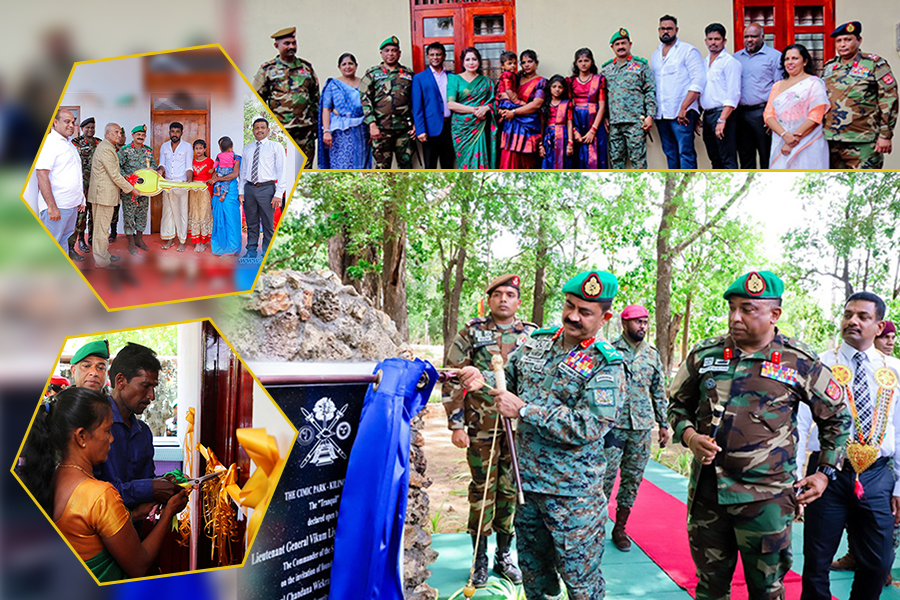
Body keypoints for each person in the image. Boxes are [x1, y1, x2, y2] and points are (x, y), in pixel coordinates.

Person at [668, 270, 850, 600]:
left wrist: (824, 474)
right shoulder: (704, 355)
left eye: (748, 309)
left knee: (766, 591)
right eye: (732, 308)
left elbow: (838, 419)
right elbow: (677, 406)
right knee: (710, 588)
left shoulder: (800, 362)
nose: (735, 317)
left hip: (767, 501)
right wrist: (691, 437)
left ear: (774, 314)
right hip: (709, 496)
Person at [458, 270, 626, 600]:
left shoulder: (606, 364)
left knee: (581, 586)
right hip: (527, 488)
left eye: (585, 312)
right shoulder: (537, 342)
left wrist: (524, 410)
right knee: (536, 580)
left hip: (572, 497)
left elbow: (590, 425)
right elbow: (507, 380)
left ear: (605, 317)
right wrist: (483, 380)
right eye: (569, 305)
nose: (573, 316)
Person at [17, 387, 189, 582]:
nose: (112, 438)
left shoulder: (52, 478)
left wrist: (137, 514)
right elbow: (139, 565)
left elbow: (88, 533)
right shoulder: (100, 495)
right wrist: (169, 512)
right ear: (81, 436)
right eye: (107, 431)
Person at [797, 292, 900, 600]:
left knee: (879, 561)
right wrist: (793, 476)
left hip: (878, 475)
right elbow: (801, 422)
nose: (852, 321)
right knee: (817, 561)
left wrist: (899, 487)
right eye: (848, 314)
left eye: (863, 317)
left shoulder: (894, 369)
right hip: (827, 473)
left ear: (879, 326)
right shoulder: (819, 365)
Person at [442, 274, 536, 588]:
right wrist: (456, 423)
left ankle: (504, 556)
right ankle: (479, 559)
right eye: (498, 294)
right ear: (489, 299)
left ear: (518, 302)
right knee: (482, 493)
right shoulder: (472, 332)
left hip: (519, 431)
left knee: (510, 492)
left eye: (510, 294)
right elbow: (452, 376)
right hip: (481, 429)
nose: (504, 299)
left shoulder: (532, 336)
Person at [603, 304, 669, 552]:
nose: (642, 326)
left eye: (645, 321)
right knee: (604, 478)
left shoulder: (652, 354)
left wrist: (664, 424)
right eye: (637, 321)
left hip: (641, 427)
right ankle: (596, 526)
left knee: (632, 479)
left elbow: (658, 391)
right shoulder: (609, 351)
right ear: (624, 323)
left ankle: (620, 528)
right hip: (613, 426)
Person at [93, 342, 181, 513]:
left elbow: (145, 479)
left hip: (136, 533)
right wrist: (149, 488)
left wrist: (165, 483)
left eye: (154, 387)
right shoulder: (94, 424)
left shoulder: (143, 432)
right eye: (145, 386)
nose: (152, 396)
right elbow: (92, 492)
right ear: (120, 381)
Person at [823, 21, 898, 169]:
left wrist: (885, 135)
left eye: (848, 40)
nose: (843, 44)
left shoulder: (874, 64)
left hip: (863, 140)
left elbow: (889, 98)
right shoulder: (830, 67)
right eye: (839, 41)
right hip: (831, 140)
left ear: (859, 40)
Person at [252, 26, 319, 169]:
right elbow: (257, 100)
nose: (291, 47)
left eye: (294, 43)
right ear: (276, 46)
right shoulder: (267, 69)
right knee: (279, 169)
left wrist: (317, 126)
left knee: (304, 169)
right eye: (287, 43)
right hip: (280, 130)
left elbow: (315, 98)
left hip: (305, 131)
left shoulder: (306, 68)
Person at [651, 15, 706, 168]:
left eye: (669, 28)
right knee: (669, 152)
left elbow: (698, 81)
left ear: (676, 30)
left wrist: (684, 108)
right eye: (663, 29)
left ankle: (688, 187)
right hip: (662, 114)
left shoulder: (688, 51)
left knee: (685, 152)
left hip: (682, 113)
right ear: (659, 30)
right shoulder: (656, 54)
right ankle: (675, 187)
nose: (666, 32)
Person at [764, 44, 830, 169]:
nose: (790, 62)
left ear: (804, 61)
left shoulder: (814, 83)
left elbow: (815, 116)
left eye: (795, 58)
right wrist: (784, 135)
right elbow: (768, 115)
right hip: (780, 141)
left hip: (808, 141)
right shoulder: (777, 86)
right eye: (787, 59)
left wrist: (792, 141)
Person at [602, 28, 657, 169]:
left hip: (635, 122)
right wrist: (605, 117)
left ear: (630, 44)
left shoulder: (640, 66)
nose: (621, 46)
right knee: (616, 162)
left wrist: (650, 115)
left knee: (638, 162)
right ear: (612, 47)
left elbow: (650, 90)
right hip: (614, 123)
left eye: (623, 43)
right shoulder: (606, 69)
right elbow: (603, 95)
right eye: (617, 44)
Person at [359, 36, 415, 169]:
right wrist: (372, 125)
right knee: (381, 169)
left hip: (404, 130)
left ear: (399, 53)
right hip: (380, 130)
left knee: (406, 167)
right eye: (387, 50)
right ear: (381, 53)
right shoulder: (372, 73)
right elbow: (364, 99)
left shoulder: (408, 74)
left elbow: (416, 100)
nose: (390, 54)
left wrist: (416, 124)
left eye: (394, 50)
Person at [35, 109, 84, 252]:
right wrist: (52, 207)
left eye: (73, 122)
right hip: (58, 206)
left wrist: (81, 199)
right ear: (55, 122)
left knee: (62, 240)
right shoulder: (51, 143)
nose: (71, 125)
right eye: (67, 121)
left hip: (71, 205)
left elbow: (72, 173)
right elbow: (42, 174)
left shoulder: (68, 143)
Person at [734, 24, 782, 169]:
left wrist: (772, 117)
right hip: (740, 114)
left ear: (763, 37)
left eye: (753, 36)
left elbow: (779, 88)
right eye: (746, 37)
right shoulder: (736, 57)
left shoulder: (774, 56)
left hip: (762, 113)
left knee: (766, 156)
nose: (749, 40)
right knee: (745, 157)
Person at [88, 123, 135, 269]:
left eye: (120, 133)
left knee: (102, 228)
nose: (119, 135)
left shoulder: (107, 147)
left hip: (104, 194)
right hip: (103, 196)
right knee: (101, 230)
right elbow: (115, 175)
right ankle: (102, 261)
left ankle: (104, 255)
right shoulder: (106, 150)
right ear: (107, 133)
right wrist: (132, 189)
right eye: (116, 132)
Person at [239, 118, 286, 259]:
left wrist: (279, 193)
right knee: (251, 223)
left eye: (262, 127)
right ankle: (251, 252)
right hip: (249, 189)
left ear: (268, 130)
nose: (259, 130)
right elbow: (243, 172)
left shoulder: (275, 147)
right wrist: (241, 191)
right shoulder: (247, 148)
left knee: (268, 224)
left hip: (267, 189)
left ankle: (267, 254)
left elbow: (282, 170)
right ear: (253, 131)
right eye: (256, 128)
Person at [446, 47, 498, 170]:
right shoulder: (454, 79)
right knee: (464, 164)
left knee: (481, 164)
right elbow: (451, 104)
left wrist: (486, 108)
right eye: (467, 59)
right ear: (463, 62)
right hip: (461, 128)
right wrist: (475, 110)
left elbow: (494, 102)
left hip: (480, 127)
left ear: (479, 62)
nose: (471, 63)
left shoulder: (487, 82)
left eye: (474, 59)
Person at [318, 53, 371, 169]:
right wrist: (326, 131)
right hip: (340, 132)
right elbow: (326, 109)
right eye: (344, 64)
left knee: (361, 163)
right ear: (339, 67)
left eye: (350, 63)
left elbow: (370, 106)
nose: (348, 67)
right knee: (340, 164)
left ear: (356, 66)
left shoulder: (364, 83)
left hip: (361, 130)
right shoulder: (333, 85)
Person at [700, 23, 742, 169]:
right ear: (705, 41)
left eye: (717, 39)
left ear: (724, 41)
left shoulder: (730, 63)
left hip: (723, 115)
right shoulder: (703, 63)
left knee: (727, 159)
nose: (713, 42)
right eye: (710, 39)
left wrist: (722, 119)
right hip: (708, 115)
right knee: (714, 159)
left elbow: (733, 93)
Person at [498, 50, 546, 169]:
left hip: (528, 124)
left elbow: (536, 104)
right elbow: (502, 94)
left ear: (536, 63)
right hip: (511, 124)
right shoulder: (516, 78)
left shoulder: (541, 81)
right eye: (523, 62)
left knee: (527, 161)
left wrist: (514, 112)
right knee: (509, 157)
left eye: (530, 61)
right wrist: (501, 110)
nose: (527, 65)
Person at [413, 42, 455, 169]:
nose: (435, 57)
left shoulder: (452, 77)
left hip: (450, 127)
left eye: (438, 55)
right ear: (427, 57)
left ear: (444, 56)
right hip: (430, 129)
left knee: (448, 165)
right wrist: (420, 130)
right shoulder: (419, 78)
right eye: (432, 55)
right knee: (430, 166)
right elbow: (417, 107)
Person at [117, 125, 156, 255]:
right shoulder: (125, 150)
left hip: (145, 190)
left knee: (142, 214)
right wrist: (126, 176)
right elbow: (117, 167)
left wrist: (153, 171)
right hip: (130, 189)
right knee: (129, 215)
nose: (140, 137)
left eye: (143, 135)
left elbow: (154, 166)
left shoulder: (148, 151)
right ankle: (131, 241)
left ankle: (139, 238)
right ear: (133, 135)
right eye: (138, 134)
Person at [568, 48, 607, 168]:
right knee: (579, 158)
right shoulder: (571, 82)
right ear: (576, 63)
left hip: (595, 121)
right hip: (577, 121)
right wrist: (574, 131)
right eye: (580, 61)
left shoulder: (599, 80)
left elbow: (602, 107)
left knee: (597, 155)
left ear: (592, 62)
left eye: (586, 60)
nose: (583, 64)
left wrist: (593, 130)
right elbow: (568, 108)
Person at [157, 121, 192, 252]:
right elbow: (162, 164)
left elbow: (189, 166)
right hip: (167, 184)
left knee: (182, 212)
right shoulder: (164, 146)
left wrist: (189, 178)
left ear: (182, 133)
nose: (175, 134)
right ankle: (170, 239)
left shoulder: (187, 147)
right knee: (168, 212)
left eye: (177, 131)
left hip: (181, 183)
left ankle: (182, 240)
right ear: (169, 132)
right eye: (173, 131)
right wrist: (160, 171)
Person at [209, 136, 242, 257]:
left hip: (231, 192)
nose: (222, 150)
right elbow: (215, 171)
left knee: (231, 219)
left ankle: (232, 248)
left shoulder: (236, 158)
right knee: (218, 218)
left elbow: (234, 174)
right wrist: (213, 178)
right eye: (220, 147)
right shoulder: (219, 158)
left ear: (231, 147)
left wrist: (218, 178)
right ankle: (219, 246)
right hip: (218, 191)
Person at [70, 116, 98, 254]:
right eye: (87, 127)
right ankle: (81, 239)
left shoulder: (100, 143)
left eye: (92, 127)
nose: (90, 130)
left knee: (95, 214)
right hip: (82, 186)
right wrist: (80, 186)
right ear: (82, 129)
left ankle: (92, 238)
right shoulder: (75, 143)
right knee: (82, 214)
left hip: (97, 185)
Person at [540, 75, 573, 169]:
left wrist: (570, 143)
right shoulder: (545, 104)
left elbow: (570, 123)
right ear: (549, 87)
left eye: (560, 87)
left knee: (563, 162)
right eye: (554, 86)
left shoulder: (567, 103)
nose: (557, 89)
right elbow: (542, 125)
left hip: (563, 136)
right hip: (549, 137)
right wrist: (541, 145)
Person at [187, 139, 214, 253]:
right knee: (195, 214)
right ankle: (197, 242)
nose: (198, 151)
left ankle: (203, 242)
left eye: (200, 148)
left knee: (203, 215)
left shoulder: (210, 162)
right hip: (193, 191)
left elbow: (214, 177)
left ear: (205, 149)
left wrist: (209, 182)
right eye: (196, 148)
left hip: (205, 191)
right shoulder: (191, 162)